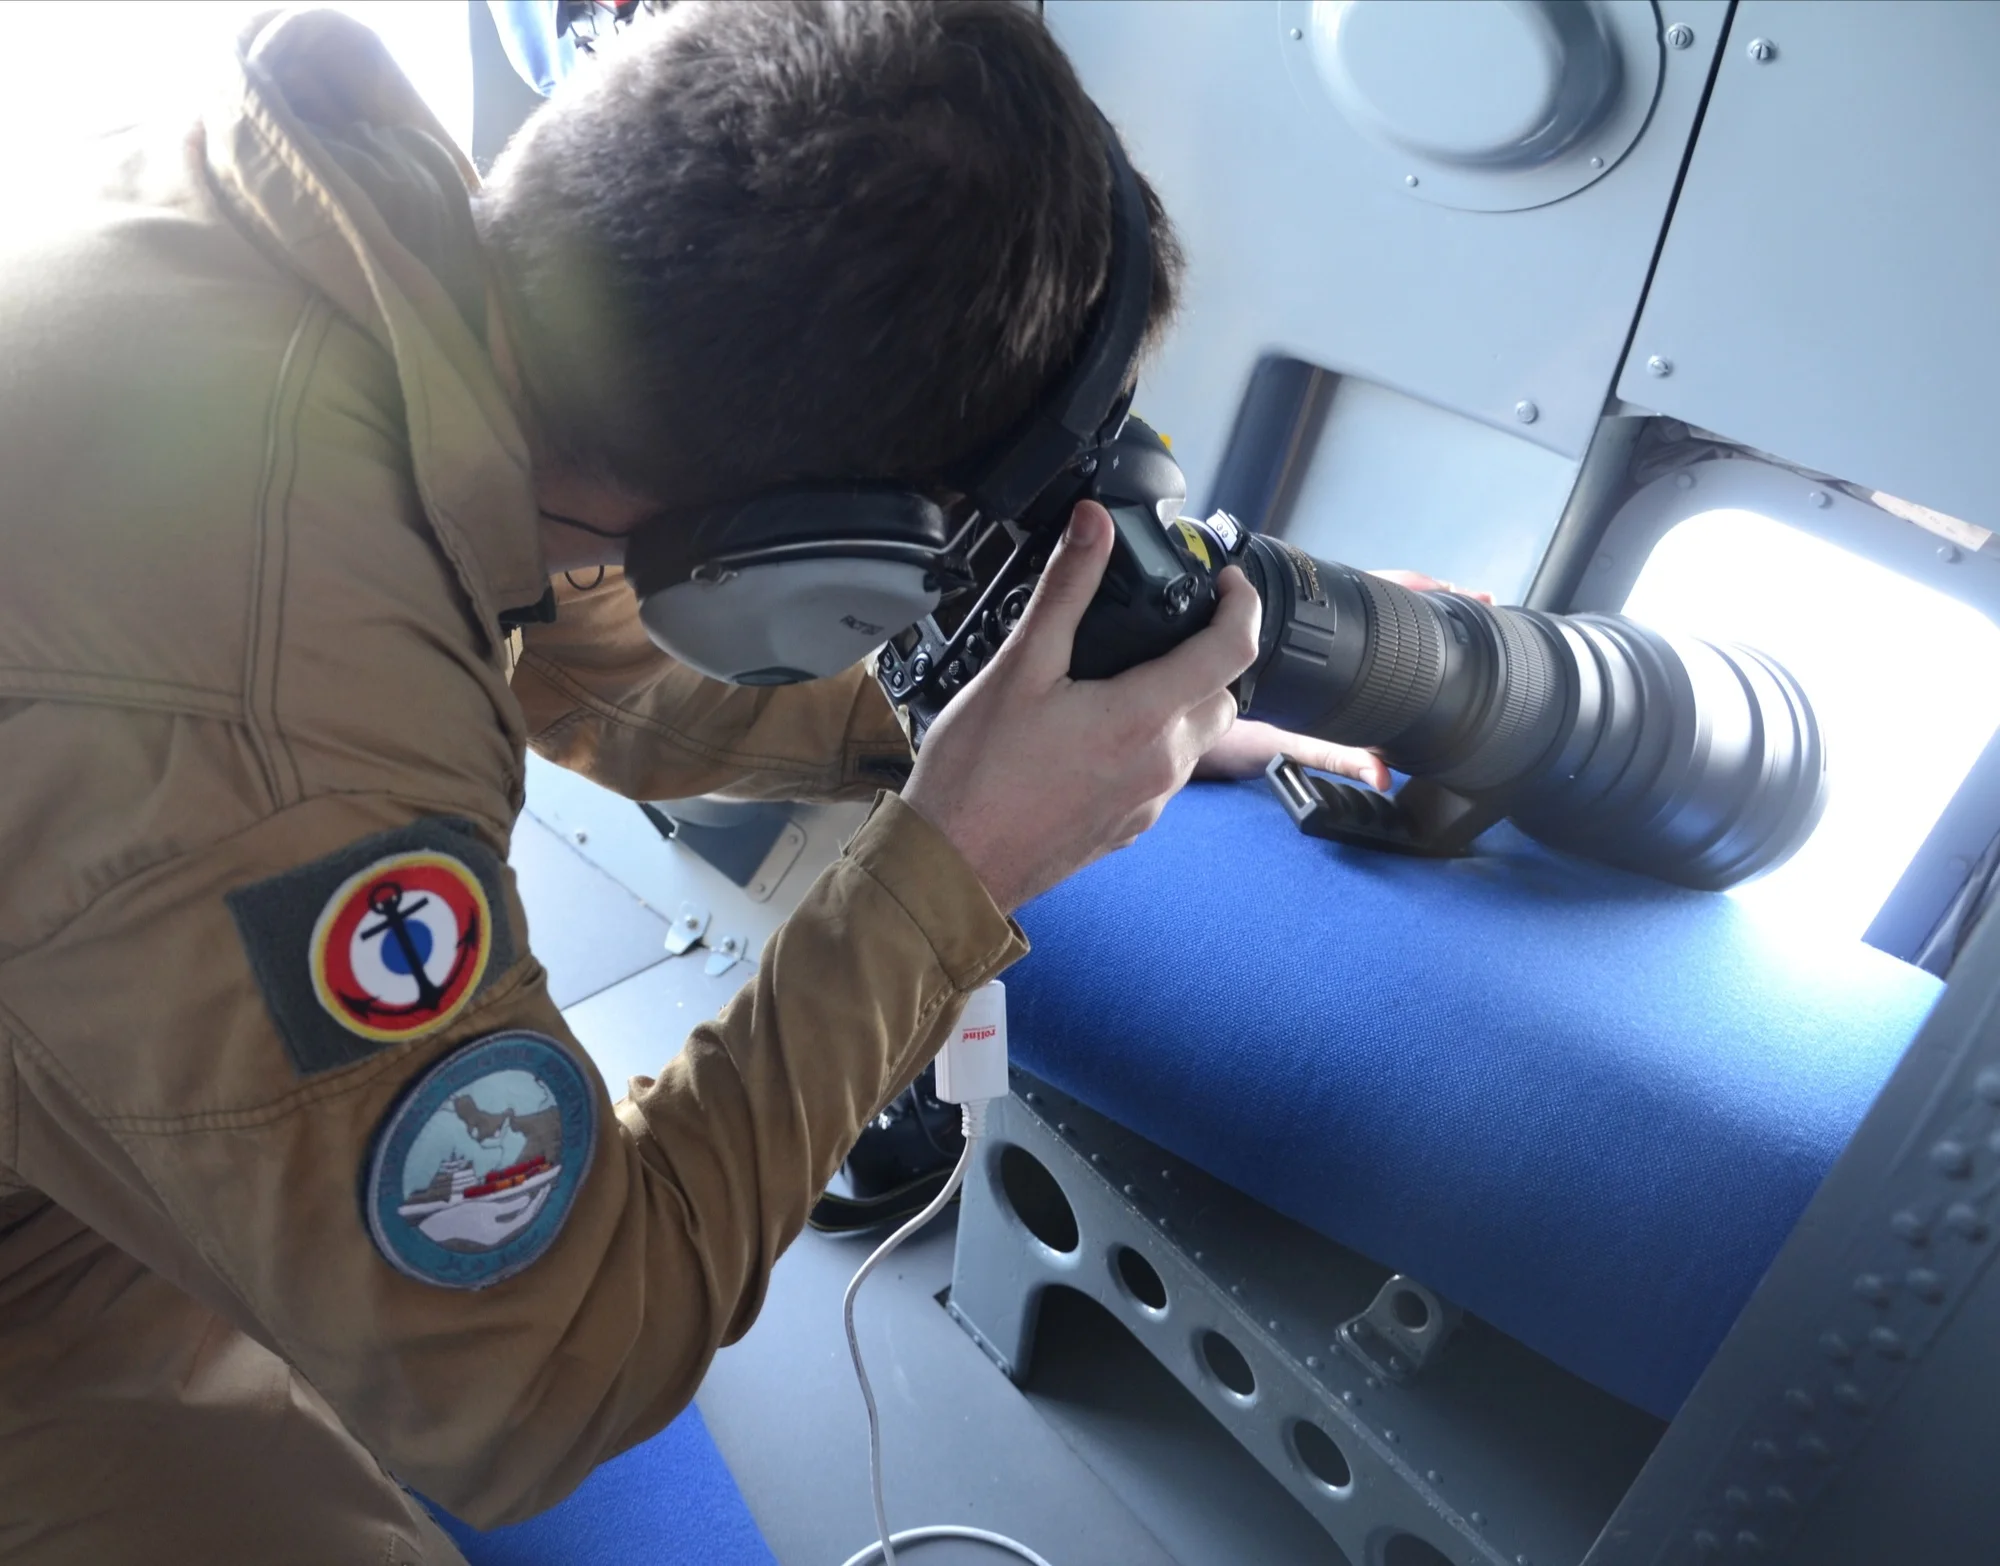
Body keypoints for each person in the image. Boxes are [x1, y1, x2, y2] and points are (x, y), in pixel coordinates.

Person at [0, 2, 1394, 1559]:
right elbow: (531, 1384)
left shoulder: (327, 241)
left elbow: (556, 618)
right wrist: (953, 865)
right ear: (804, 566)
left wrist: (954, 703)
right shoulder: (272, 750)